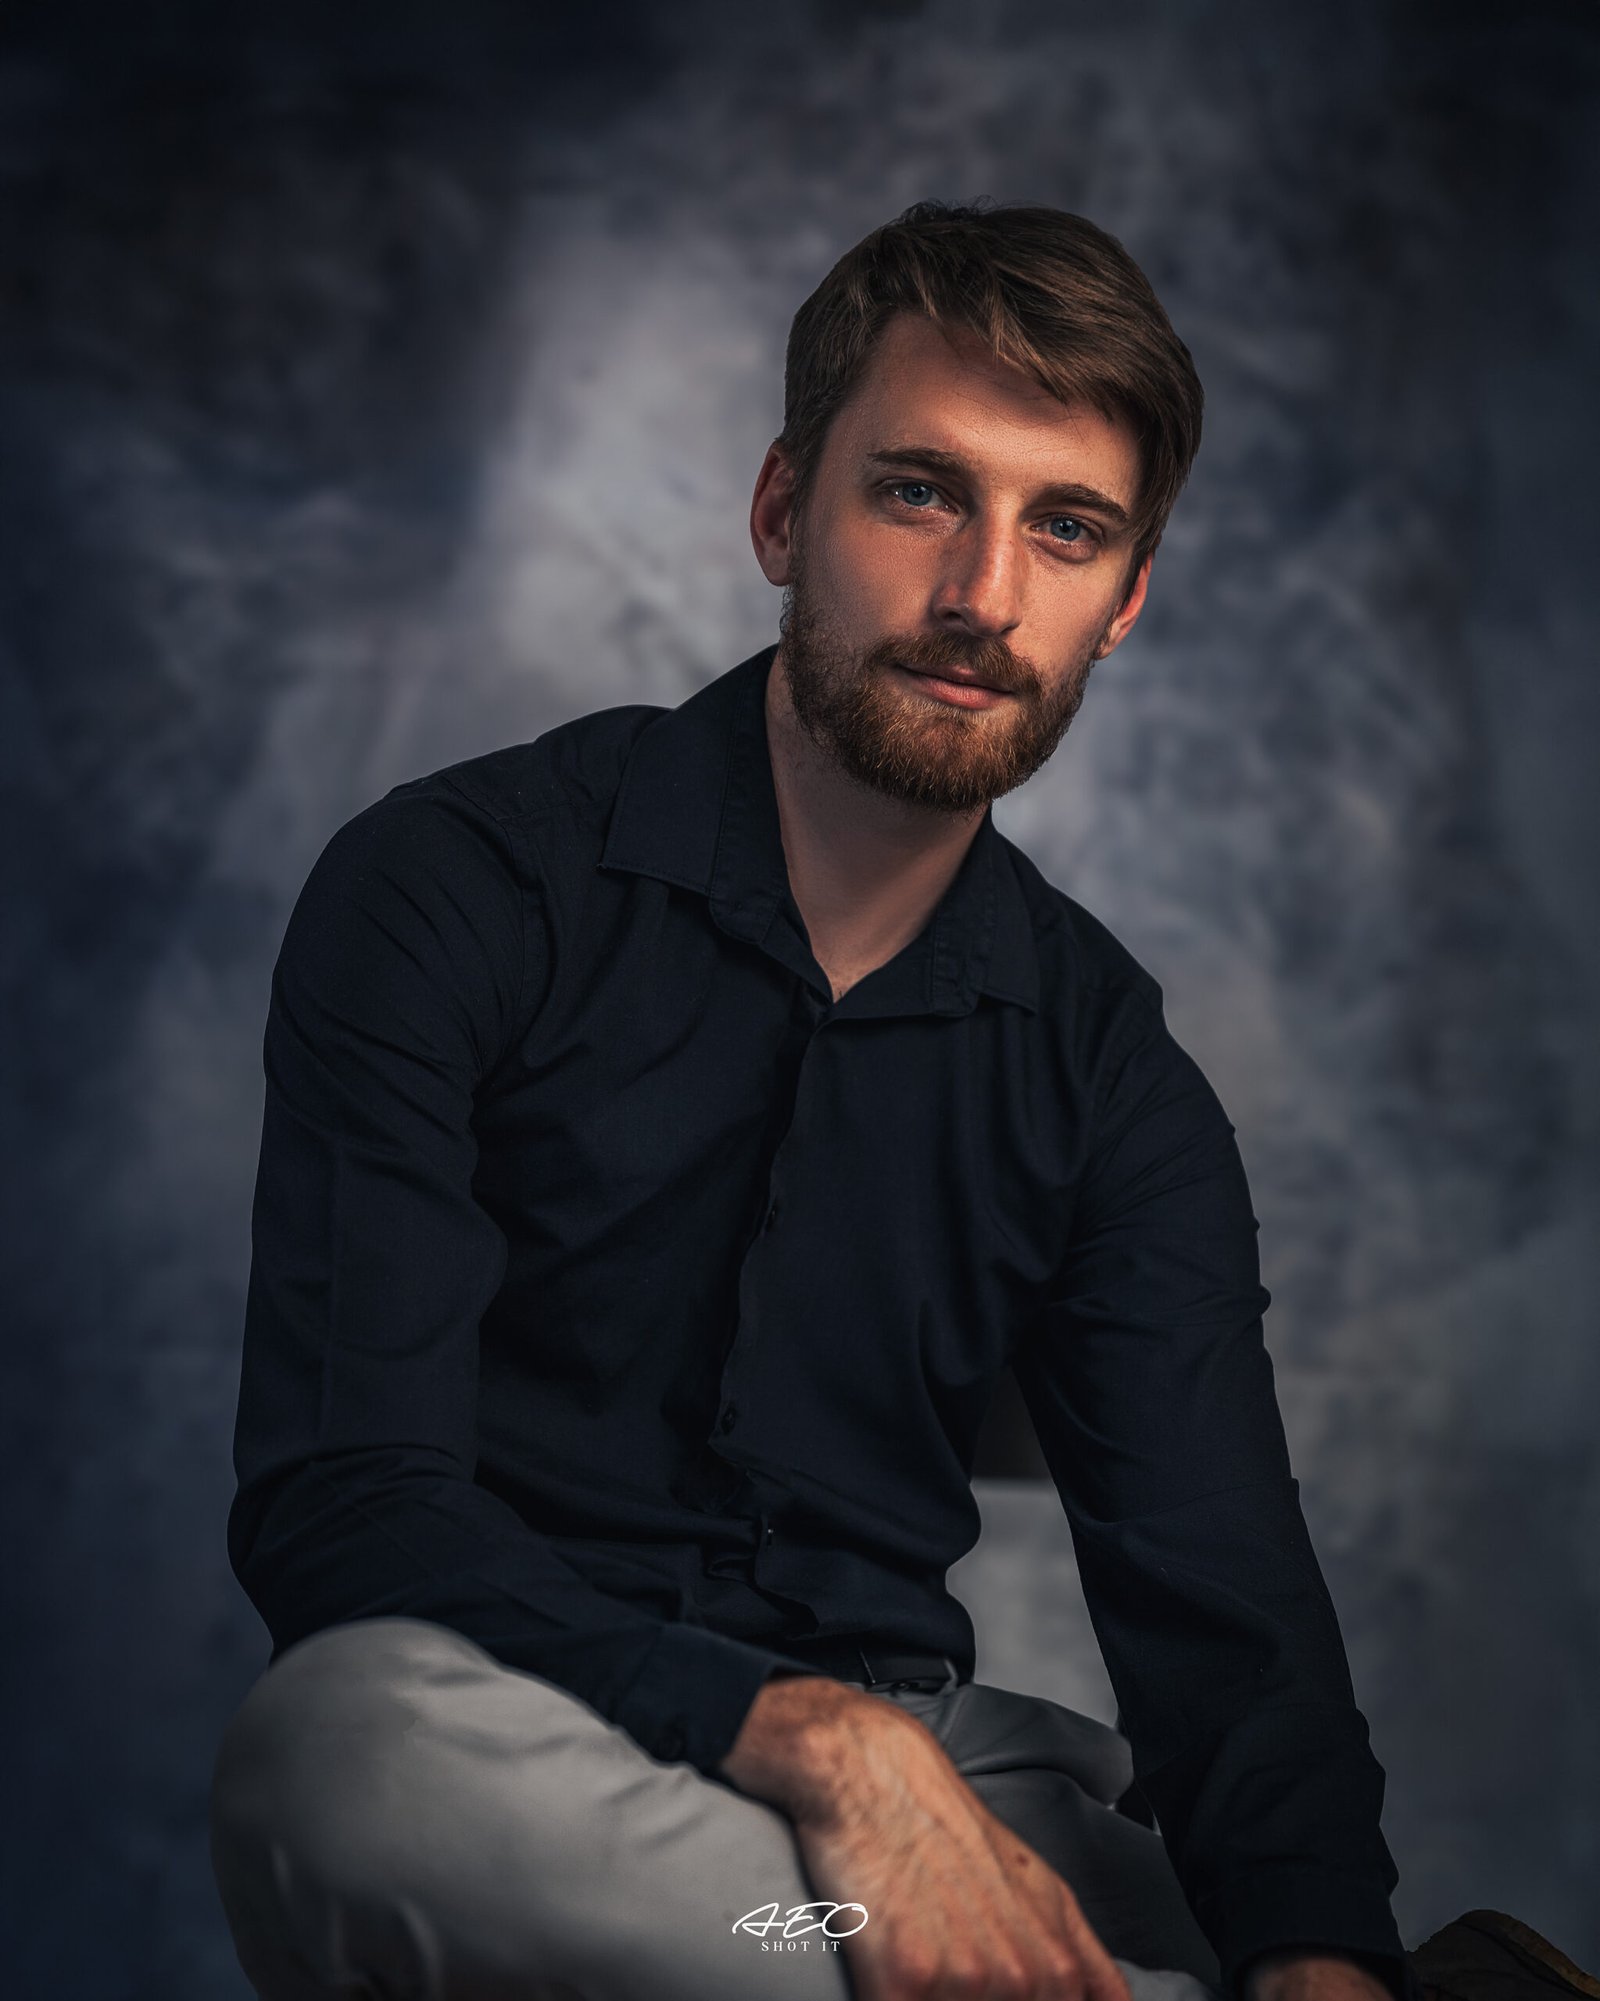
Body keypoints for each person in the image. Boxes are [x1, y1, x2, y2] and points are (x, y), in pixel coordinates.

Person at [207, 201, 1589, 2001]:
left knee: (1240, 1901)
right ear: (785, 510)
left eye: (1066, 528)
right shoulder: (457, 889)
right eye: (922, 492)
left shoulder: (1111, 1071)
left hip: (940, 1783)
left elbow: (1225, 1618)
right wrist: (809, 1741)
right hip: (530, 1738)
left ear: (1125, 601)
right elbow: (347, 1504)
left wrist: (1319, 1959)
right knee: (339, 1766)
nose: (984, 596)